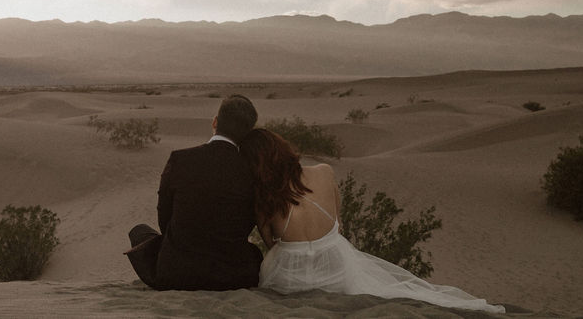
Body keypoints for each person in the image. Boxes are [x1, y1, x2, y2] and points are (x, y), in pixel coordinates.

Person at [238, 128, 505, 313]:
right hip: (336, 273)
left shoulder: (265, 199)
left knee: (272, 259)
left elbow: (271, 242)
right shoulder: (324, 172)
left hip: (289, 280)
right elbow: (338, 225)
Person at [125, 94, 263, 290]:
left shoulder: (180, 159)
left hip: (177, 273)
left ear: (215, 122)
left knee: (141, 232)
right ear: (249, 132)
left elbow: (164, 217)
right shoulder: (253, 170)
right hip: (233, 275)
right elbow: (252, 220)